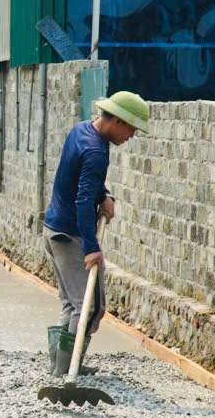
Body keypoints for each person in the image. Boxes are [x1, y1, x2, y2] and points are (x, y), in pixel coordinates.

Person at [42, 92, 149, 353]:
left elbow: (82, 178)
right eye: (131, 129)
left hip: (54, 229)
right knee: (90, 307)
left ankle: (61, 365)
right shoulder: (96, 151)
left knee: (72, 303)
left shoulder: (82, 130)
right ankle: (70, 368)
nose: (132, 136)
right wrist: (91, 248)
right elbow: (83, 200)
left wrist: (104, 195)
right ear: (117, 121)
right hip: (70, 236)